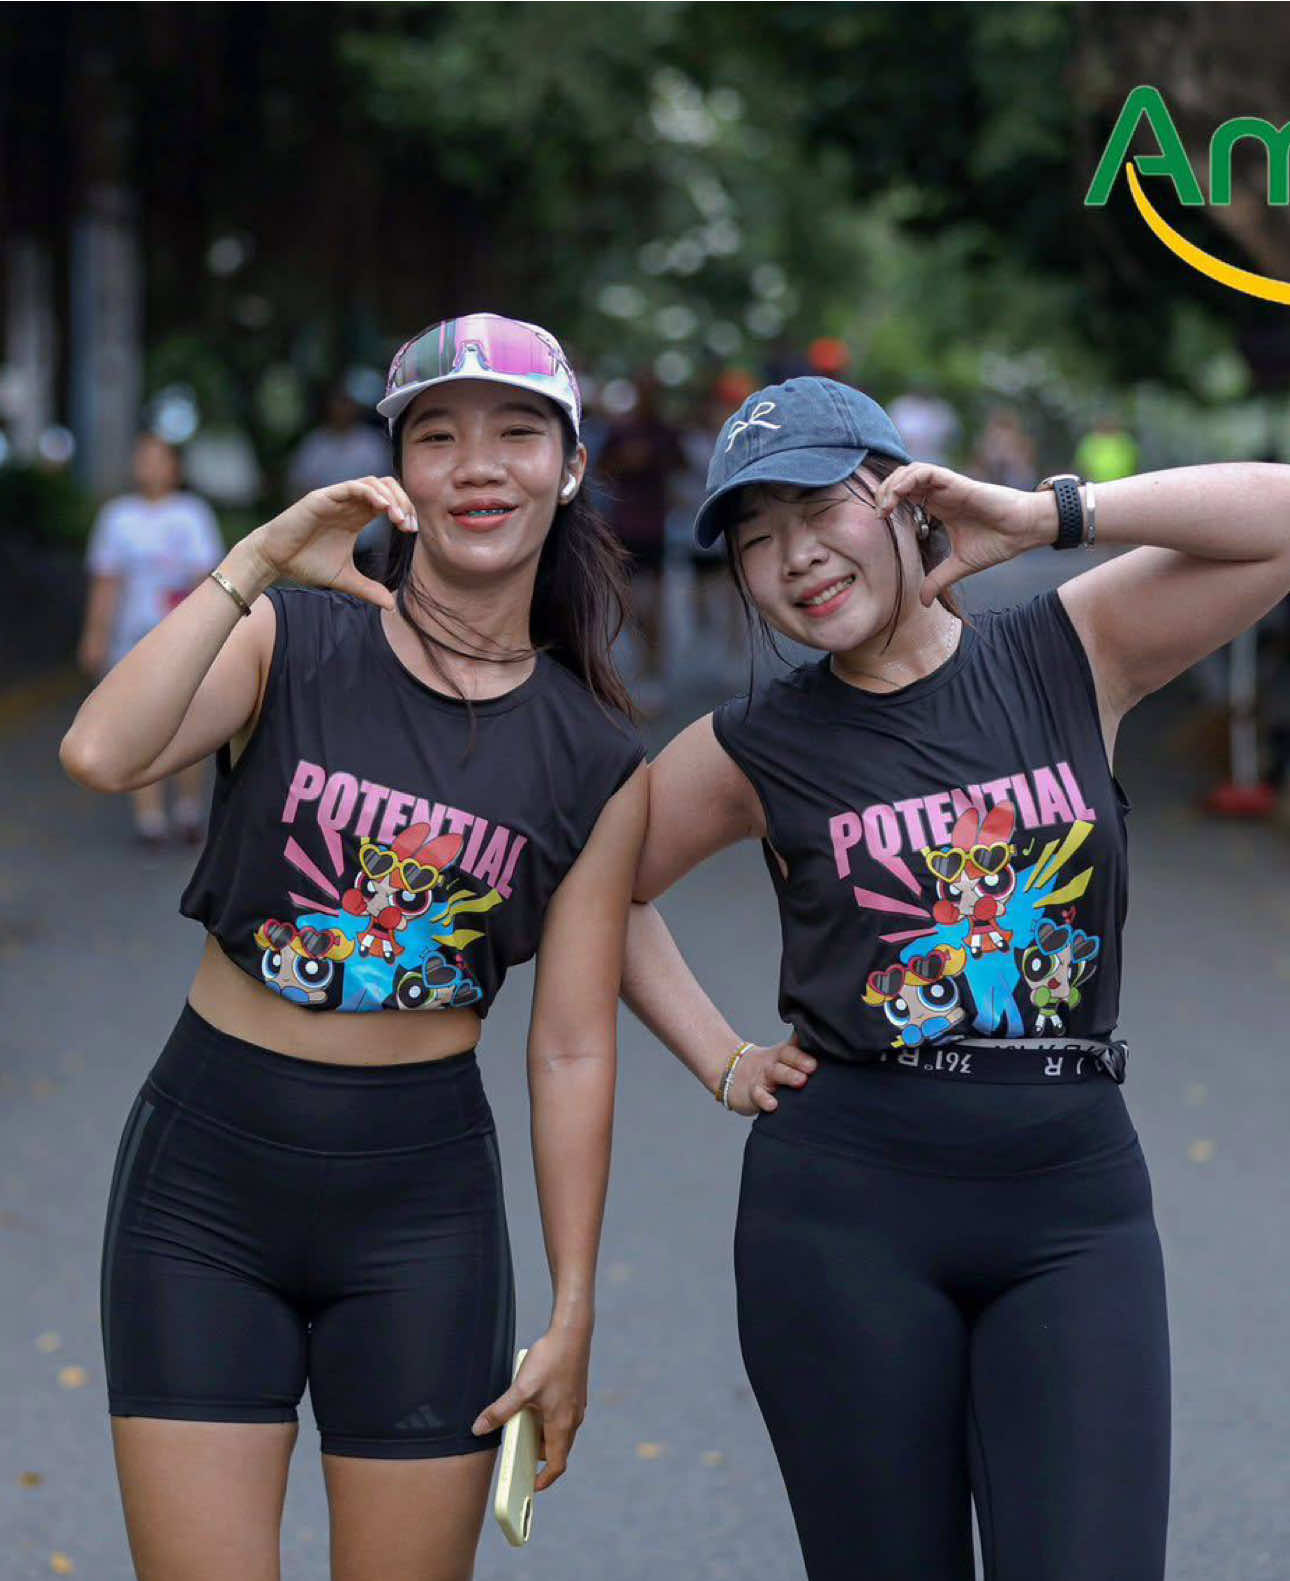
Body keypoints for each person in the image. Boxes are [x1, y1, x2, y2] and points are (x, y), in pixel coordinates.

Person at [623, 375, 1290, 1581]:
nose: (794, 560)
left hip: (1073, 1209)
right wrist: (719, 1056)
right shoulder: (751, 747)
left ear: (906, 495)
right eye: (756, 539)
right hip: (841, 1220)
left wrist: (1046, 519)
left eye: (820, 509)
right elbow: (588, 890)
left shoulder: (1069, 651)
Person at [60, 312, 646, 1581]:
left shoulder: (596, 755)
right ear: (395, 474)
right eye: (438, 437)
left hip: (422, 1215)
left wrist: (574, 1308)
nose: (478, 465)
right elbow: (103, 754)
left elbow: (571, 1044)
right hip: (203, 1185)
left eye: (516, 434)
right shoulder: (290, 640)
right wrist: (259, 559)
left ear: (571, 465)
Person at [77, 432, 225, 843]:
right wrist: (95, 636)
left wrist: (213, 637)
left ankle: (188, 807)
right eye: (143, 459)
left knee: (185, 724)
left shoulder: (192, 514)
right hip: (132, 641)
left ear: (175, 468)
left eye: (158, 459)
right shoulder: (117, 517)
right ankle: (150, 819)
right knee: (138, 727)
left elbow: (207, 580)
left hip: (181, 642)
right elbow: (106, 583)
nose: (150, 467)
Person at [596, 374, 685, 710]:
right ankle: (646, 665)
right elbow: (601, 467)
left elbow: (681, 465)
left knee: (656, 603)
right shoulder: (621, 431)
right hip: (624, 527)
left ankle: (654, 670)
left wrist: (654, 461)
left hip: (655, 528)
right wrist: (626, 460)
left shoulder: (665, 432)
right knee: (630, 603)